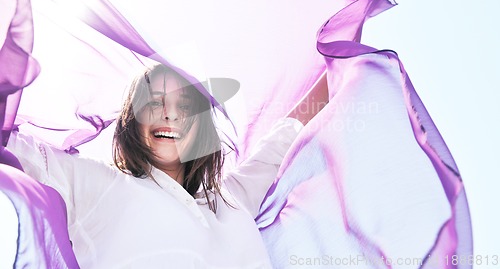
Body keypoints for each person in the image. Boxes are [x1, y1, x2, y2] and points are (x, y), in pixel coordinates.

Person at [5, 63, 328, 268]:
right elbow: (17, 147)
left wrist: (344, 47)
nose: (169, 114)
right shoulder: (99, 183)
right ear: (132, 119)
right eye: (155, 102)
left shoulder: (231, 199)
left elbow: (287, 134)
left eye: (184, 106)